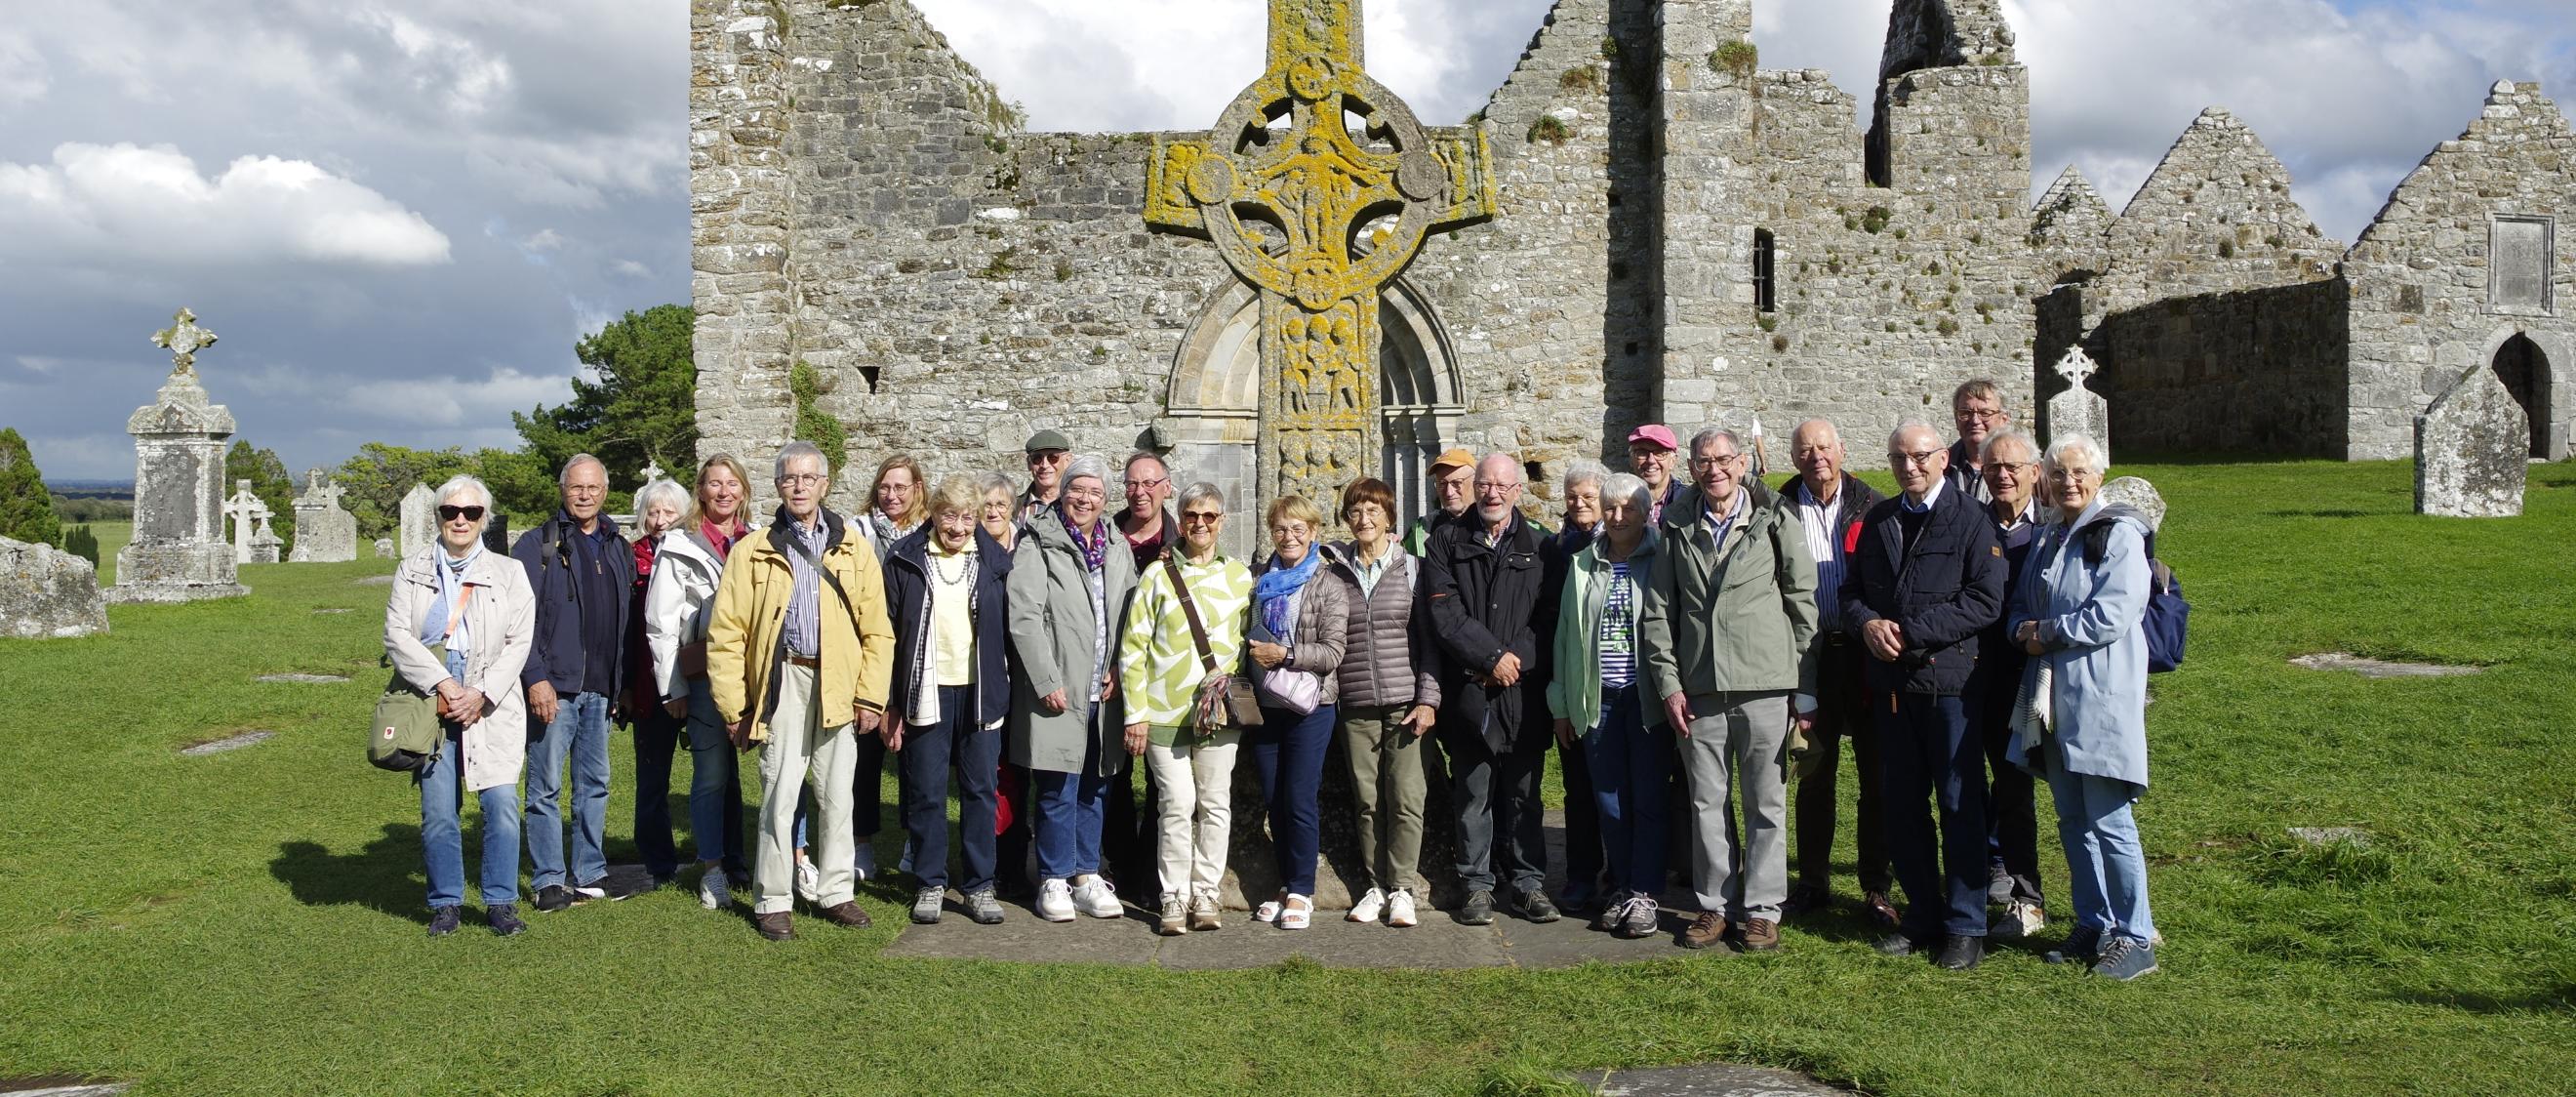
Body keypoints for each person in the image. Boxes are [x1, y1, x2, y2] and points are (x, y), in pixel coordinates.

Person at [705, 441, 897, 941]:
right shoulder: (753, 550)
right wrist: (734, 705)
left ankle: (835, 892)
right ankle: (773, 898)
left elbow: (877, 629)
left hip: (839, 680)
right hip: (783, 679)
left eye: (808, 478)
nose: (799, 486)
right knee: (779, 792)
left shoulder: (854, 547)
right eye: (790, 478)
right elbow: (727, 634)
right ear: (777, 486)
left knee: (837, 795)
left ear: (824, 485)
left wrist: (870, 695)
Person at [1639, 428, 1819, 953]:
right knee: (1705, 803)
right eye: (1702, 461)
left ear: (1742, 463)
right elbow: (1658, 612)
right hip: (1700, 689)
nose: (1713, 469)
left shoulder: (1775, 518)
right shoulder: (1675, 524)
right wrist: (1671, 686)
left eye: (1723, 460)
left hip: (1765, 686)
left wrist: (1802, 687)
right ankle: (1714, 906)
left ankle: (1762, 910)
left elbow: (1802, 601)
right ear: (1690, 468)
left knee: (1766, 802)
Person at [1844, 423, 2007, 971]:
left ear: (1942, 459)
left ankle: (1966, 926)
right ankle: (1921, 916)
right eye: (1898, 458)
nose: (1909, 467)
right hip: (1893, 689)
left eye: (1919, 457)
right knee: (1904, 806)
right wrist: (1867, 624)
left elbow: (1985, 601)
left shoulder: (1971, 519)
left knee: (1961, 805)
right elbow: (1851, 592)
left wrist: (1909, 632)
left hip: (1952, 686)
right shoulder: (1880, 520)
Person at [2009, 433, 2160, 981]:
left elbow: (2112, 614)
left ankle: (2136, 936)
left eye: (2079, 472)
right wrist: (2019, 628)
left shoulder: (2118, 535)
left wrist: (2043, 633)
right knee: (2072, 820)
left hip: (2100, 698)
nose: (2068, 481)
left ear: (2099, 477)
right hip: (2054, 700)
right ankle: (2094, 925)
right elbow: (2023, 602)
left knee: (2110, 820)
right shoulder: (2052, 536)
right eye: (2058, 472)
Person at [386, 474, 536, 937]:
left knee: (501, 802)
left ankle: (500, 902)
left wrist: (481, 692)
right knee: (437, 809)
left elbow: (519, 640)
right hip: (431, 697)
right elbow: (397, 635)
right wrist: (445, 685)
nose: (460, 520)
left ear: (483, 519)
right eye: (451, 511)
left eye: (471, 513)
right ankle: (446, 903)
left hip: (490, 701)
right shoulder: (412, 569)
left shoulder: (508, 573)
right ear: (438, 517)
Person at [1425, 452, 1559, 925]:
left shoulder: (1542, 547)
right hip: (1471, 688)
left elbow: (1548, 620)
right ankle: (1476, 885)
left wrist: (1511, 663)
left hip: (1523, 692)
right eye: (1485, 484)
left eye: (1502, 485)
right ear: (1475, 486)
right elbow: (1444, 613)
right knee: (1473, 794)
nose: (1492, 493)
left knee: (1524, 794)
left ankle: (1527, 884)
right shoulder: (1446, 541)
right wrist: (1488, 659)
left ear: (1518, 491)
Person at [1117, 483, 1255, 934]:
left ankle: (1207, 892)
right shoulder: (1157, 576)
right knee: (1176, 804)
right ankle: (1173, 894)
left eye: (1209, 517)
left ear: (1222, 522)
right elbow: (1133, 647)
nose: (1200, 524)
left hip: (1217, 713)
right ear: (1181, 518)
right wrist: (1135, 713)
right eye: (1192, 516)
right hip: (1164, 710)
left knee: (1215, 804)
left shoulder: (1239, 576)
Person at [1777, 419, 1898, 926]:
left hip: (1865, 654)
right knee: (1814, 773)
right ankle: (1813, 881)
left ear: (1842, 450)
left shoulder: (1873, 504)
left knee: (1876, 775)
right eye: (1805, 450)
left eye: (1824, 447)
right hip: (1809, 656)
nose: (1816, 457)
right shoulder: (1776, 508)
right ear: (1795, 457)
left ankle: (1875, 885)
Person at [1008, 455, 1139, 922]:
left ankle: (1086, 874)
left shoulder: (1115, 544)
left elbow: (1130, 613)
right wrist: (1046, 680)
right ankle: (1053, 878)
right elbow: (1024, 616)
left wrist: (1121, 669)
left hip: (1101, 688)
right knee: (1056, 785)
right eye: (1077, 490)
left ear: (1106, 500)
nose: (1085, 499)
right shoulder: (1040, 540)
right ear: (1062, 494)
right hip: (1059, 685)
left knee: (1095, 785)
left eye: (1095, 493)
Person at [882, 478, 1013, 926]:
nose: (958, 527)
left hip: (980, 692)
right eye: (949, 515)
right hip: (925, 690)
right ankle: (930, 882)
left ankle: (980, 886)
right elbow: (888, 634)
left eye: (967, 517)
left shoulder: (996, 561)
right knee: (927, 791)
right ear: (933, 513)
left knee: (980, 791)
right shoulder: (904, 558)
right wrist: (891, 702)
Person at [511, 454, 633, 913]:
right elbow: (517, 622)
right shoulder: (537, 545)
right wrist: (535, 678)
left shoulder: (616, 543)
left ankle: (590, 871)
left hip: (601, 688)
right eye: (577, 488)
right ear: (563, 490)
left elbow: (623, 621)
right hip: (554, 687)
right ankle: (548, 878)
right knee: (544, 786)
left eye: (594, 488)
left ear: (605, 492)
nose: (585, 495)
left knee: (595, 782)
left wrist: (622, 683)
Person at [1549, 472, 1668, 939]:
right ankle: (1620, 884)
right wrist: (1561, 704)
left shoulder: (1662, 558)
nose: (1618, 517)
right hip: (1598, 698)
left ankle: (1644, 891)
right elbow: (1563, 639)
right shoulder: (1582, 564)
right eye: (1611, 508)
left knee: (1649, 798)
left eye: (1628, 509)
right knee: (1610, 799)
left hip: (1648, 698)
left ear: (1646, 512)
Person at [1321, 477, 1440, 928]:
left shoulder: (1413, 568)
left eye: (1373, 511)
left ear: (1390, 516)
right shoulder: (1334, 571)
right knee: (1367, 800)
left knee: (1407, 798)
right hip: (1355, 702)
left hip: (1405, 700)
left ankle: (1404, 889)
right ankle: (1376, 886)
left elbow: (1430, 641)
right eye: (1355, 512)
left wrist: (1428, 698)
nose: (1364, 519)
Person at [642, 455, 757, 911]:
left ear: (744, 491)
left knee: (776, 770)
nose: (724, 492)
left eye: (732, 484)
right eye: (714, 484)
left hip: (758, 674)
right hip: (706, 674)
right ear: (701, 490)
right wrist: (674, 688)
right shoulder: (679, 545)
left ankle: (767, 862)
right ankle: (713, 870)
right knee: (711, 775)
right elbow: (661, 622)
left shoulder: (760, 540)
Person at [1244, 494, 1349, 931]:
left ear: (1314, 533)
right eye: (1281, 528)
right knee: (1274, 798)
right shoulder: (1257, 579)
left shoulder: (1328, 584)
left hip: (1311, 704)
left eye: (1298, 529)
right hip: (1266, 704)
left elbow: (1334, 651)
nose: (1289, 536)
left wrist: (1284, 654)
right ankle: (1285, 884)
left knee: (1300, 797)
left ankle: (1303, 889)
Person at [1971, 428, 2048, 938]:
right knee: (1969, 788)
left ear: (2034, 473)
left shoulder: (2054, 528)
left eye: (2013, 467)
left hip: (2032, 677)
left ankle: (2028, 898)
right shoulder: (1969, 523)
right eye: (1994, 467)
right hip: (1974, 674)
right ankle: (1973, 884)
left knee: (2019, 790)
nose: (2003, 475)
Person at [1542, 461, 1609, 917]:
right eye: (1572, 497)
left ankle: (1623, 878)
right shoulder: (1555, 548)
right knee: (1578, 789)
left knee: (1618, 788)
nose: (1580, 504)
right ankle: (1582, 876)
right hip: (1569, 682)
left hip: (1614, 684)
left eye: (1588, 496)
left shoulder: (1624, 541)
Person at [622, 477, 691, 894]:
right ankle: (658, 860)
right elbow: (627, 631)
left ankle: (720, 855)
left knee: (714, 775)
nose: (660, 520)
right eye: (653, 511)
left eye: (669, 512)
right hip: (649, 681)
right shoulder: (631, 559)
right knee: (652, 777)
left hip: (696, 673)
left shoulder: (696, 552)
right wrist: (626, 686)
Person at [1402, 447, 1477, 555]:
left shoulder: (1490, 527)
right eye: (1442, 484)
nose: (1449, 492)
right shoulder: (1422, 529)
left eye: (1456, 483)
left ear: (1474, 483)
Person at [1946, 379, 2009, 506]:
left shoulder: (2026, 469)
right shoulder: (1940, 466)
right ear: (1956, 420)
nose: (1975, 420)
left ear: (2003, 420)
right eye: (1965, 413)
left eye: (1984, 413)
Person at [1115, 452, 1181, 566]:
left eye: (1149, 483)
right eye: (1132, 484)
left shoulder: (1181, 548)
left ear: (1167, 488)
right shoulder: (1102, 540)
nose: (1139, 492)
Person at [862, 455, 929, 556]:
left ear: (917, 487)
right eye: (884, 487)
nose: (891, 496)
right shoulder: (861, 528)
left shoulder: (932, 529)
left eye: (900, 487)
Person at [1626, 425, 1683, 523]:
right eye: (1642, 452)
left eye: (1660, 453)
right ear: (1631, 460)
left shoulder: (1687, 501)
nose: (1651, 460)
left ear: (1673, 461)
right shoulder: (1619, 501)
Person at [1019, 428, 1071, 527]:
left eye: (1053, 458)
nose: (1044, 465)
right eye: (1037, 459)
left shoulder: (1078, 506)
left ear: (1067, 461)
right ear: (1029, 463)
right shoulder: (1012, 508)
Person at [977, 472, 1021, 552]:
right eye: (987, 505)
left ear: (1012, 508)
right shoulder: (967, 547)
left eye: (1001, 505)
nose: (993, 513)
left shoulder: (1028, 545)